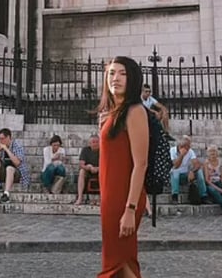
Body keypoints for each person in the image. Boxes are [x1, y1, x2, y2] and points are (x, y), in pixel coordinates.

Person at [97, 56, 149, 278]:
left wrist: (130, 208)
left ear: (133, 79)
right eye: (111, 73)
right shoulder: (112, 113)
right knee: (120, 262)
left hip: (124, 199)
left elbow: (141, 163)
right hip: (110, 197)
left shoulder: (135, 111)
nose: (115, 78)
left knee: (118, 263)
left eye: (122, 73)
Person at [0, 128, 30, 204]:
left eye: (2, 139)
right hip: (5, 172)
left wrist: (6, 149)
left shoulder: (17, 145)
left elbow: (17, 163)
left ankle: (6, 194)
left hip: (17, 173)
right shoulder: (1, 145)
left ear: (8, 138)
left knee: (9, 168)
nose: (1, 141)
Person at [169, 136, 207, 204]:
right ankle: (175, 195)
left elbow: (197, 164)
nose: (189, 148)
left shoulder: (190, 151)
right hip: (175, 177)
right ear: (181, 146)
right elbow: (175, 166)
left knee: (199, 172)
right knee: (175, 172)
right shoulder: (172, 150)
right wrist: (181, 155)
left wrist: (192, 171)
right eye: (187, 146)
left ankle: (203, 195)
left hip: (186, 175)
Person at [74, 135, 100, 205]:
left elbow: (107, 163)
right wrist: (88, 167)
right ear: (89, 143)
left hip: (100, 170)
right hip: (89, 170)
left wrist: (98, 168)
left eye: (97, 142)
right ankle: (80, 197)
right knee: (82, 171)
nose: (95, 144)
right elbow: (81, 164)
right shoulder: (85, 150)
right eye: (93, 142)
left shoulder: (103, 150)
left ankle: (103, 198)